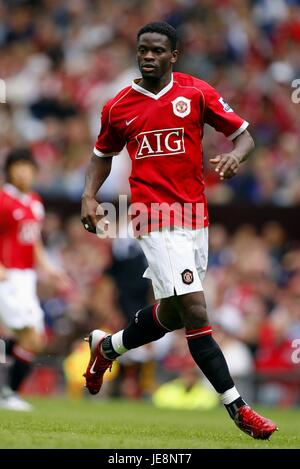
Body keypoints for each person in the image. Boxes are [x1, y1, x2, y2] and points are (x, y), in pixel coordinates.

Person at [81, 22, 277, 439]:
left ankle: (107, 347)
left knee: (171, 313)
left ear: (174, 55)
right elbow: (103, 154)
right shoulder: (118, 106)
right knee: (195, 311)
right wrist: (88, 196)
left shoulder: (196, 93)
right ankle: (239, 409)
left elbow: (244, 136)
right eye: (142, 50)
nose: (148, 56)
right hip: (153, 216)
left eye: (157, 51)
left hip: (195, 217)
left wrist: (235, 158)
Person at [0, 148, 68, 411]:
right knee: (28, 335)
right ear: (10, 170)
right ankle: (8, 395)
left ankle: (8, 393)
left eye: (27, 166)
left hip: (26, 278)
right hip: (7, 276)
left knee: (35, 339)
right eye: (18, 166)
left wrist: (49, 269)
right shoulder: (4, 200)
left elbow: (33, 241)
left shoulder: (35, 202)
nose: (23, 171)